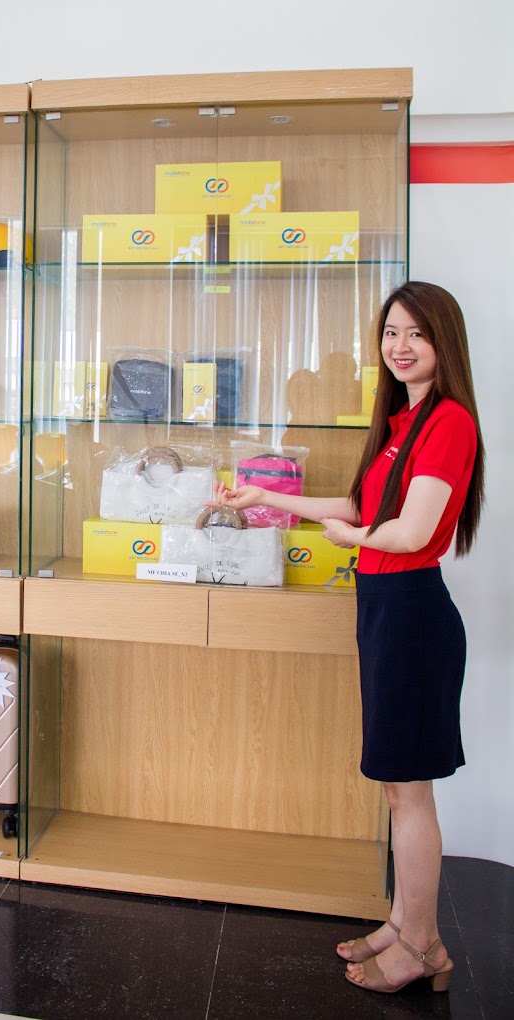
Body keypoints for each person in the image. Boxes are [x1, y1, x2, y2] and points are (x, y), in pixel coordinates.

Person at [207, 280, 485, 995]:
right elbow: (364, 504)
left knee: (409, 791)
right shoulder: (405, 421)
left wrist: (351, 539)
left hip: (413, 614)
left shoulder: (449, 421)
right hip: (386, 608)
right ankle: (404, 924)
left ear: (443, 341)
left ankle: (422, 945)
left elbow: (411, 532)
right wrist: (266, 496)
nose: (400, 346)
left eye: (417, 333)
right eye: (391, 332)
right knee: (396, 787)